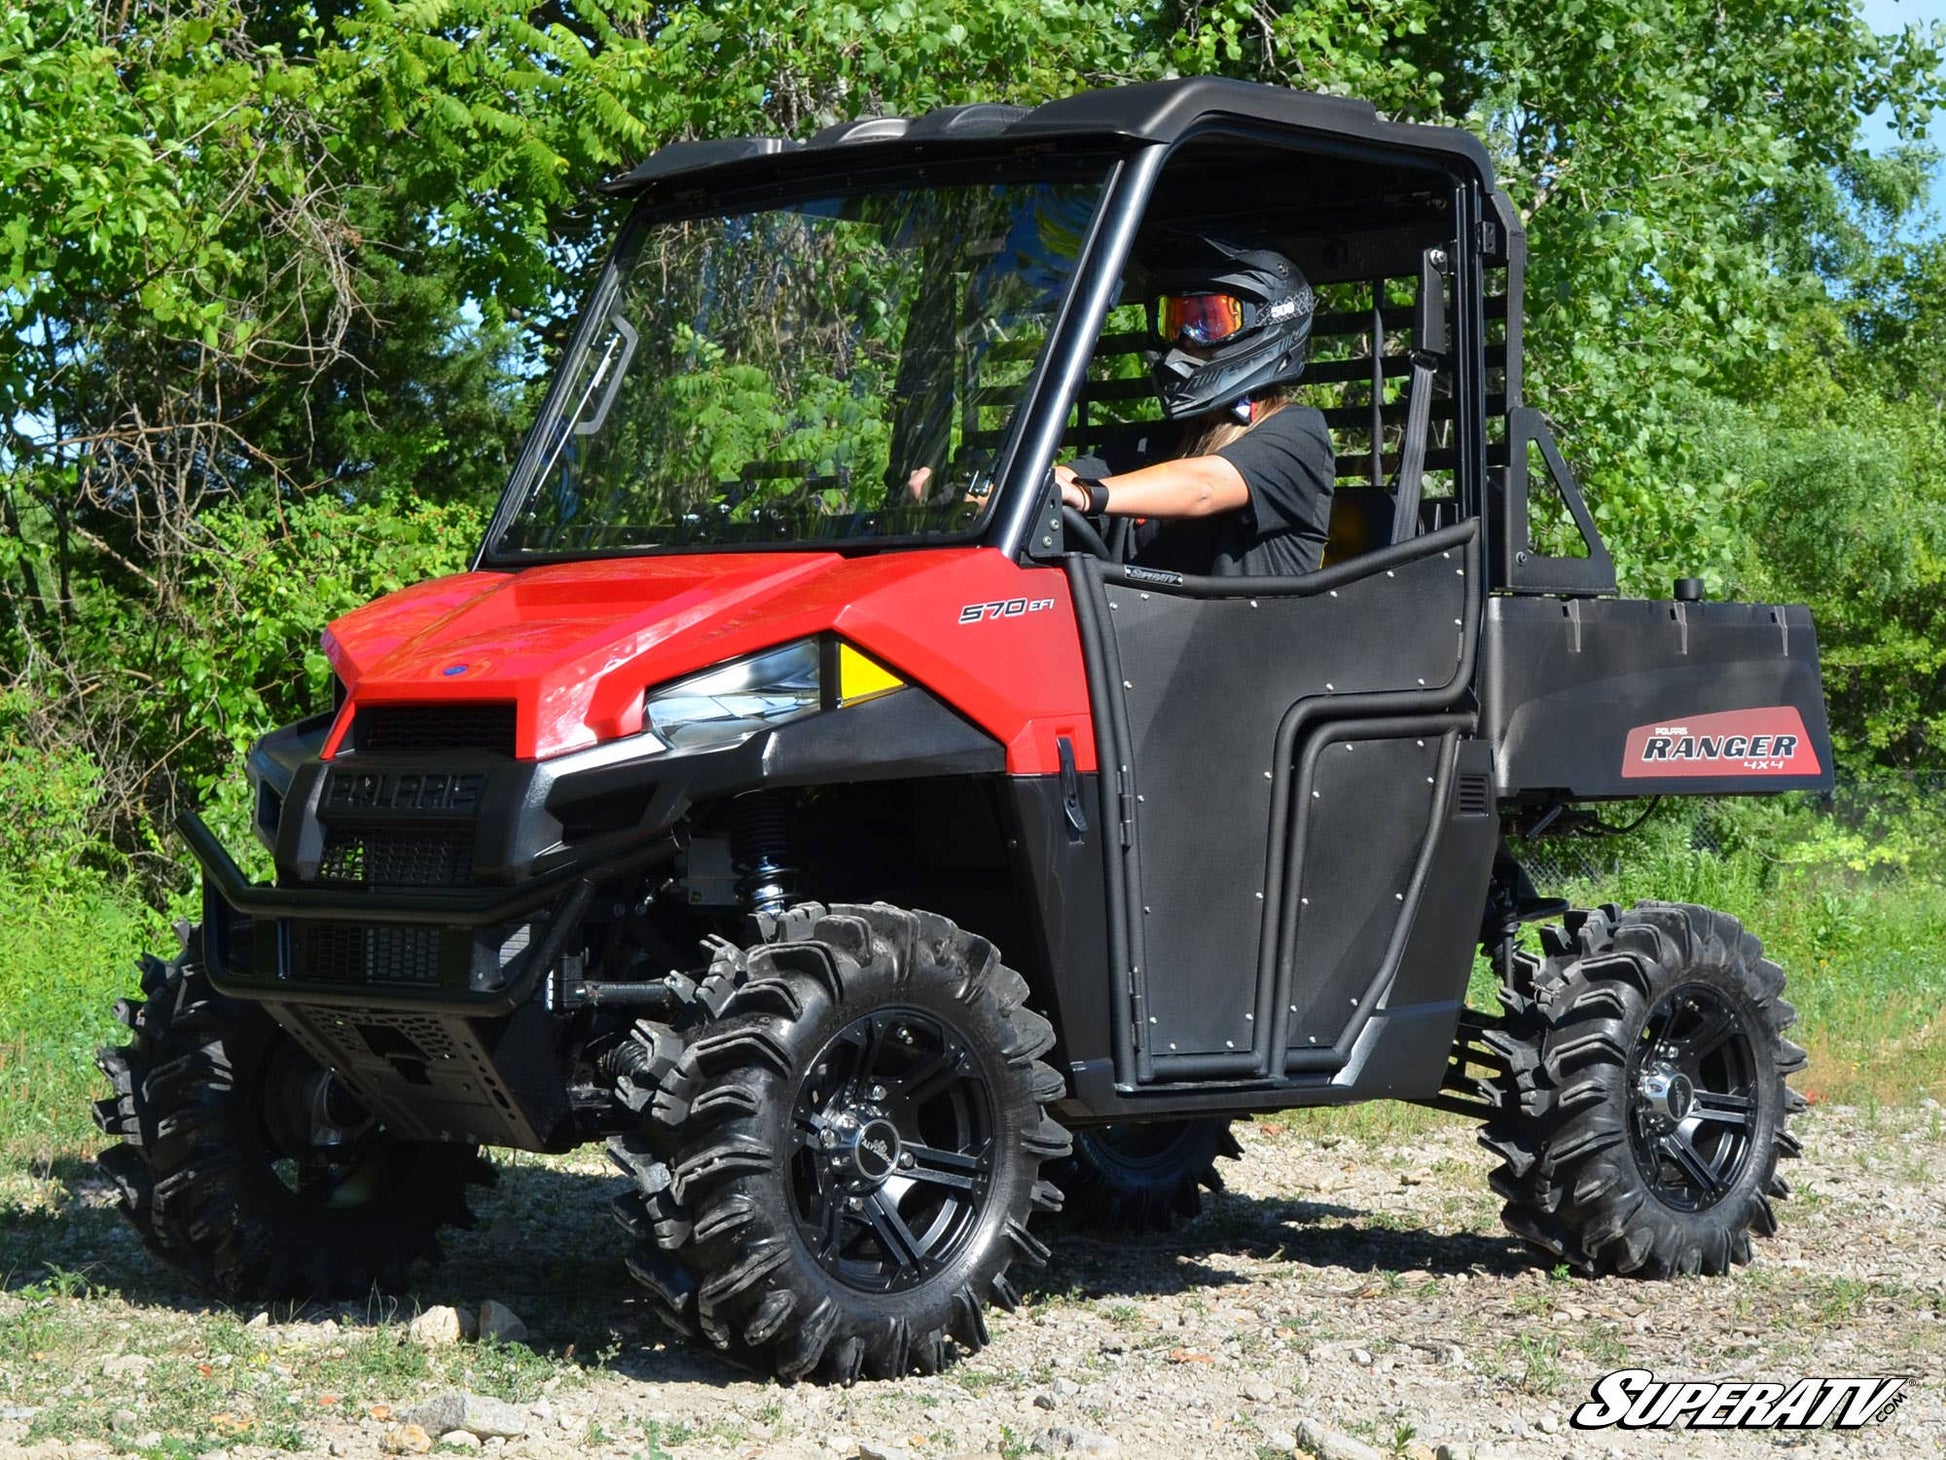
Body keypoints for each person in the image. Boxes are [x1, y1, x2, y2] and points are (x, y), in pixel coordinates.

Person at [1055, 236, 1334, 576]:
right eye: (1175, 320)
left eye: (1209, 320)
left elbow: (1203, 487)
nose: (1185, 338)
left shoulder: (1297, 431)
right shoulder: (1153, 445)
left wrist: (1086, 495)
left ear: (1265, 321)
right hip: (1136, 625)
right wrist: (1000, 498)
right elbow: (1066, 476)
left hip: (1247, 627)